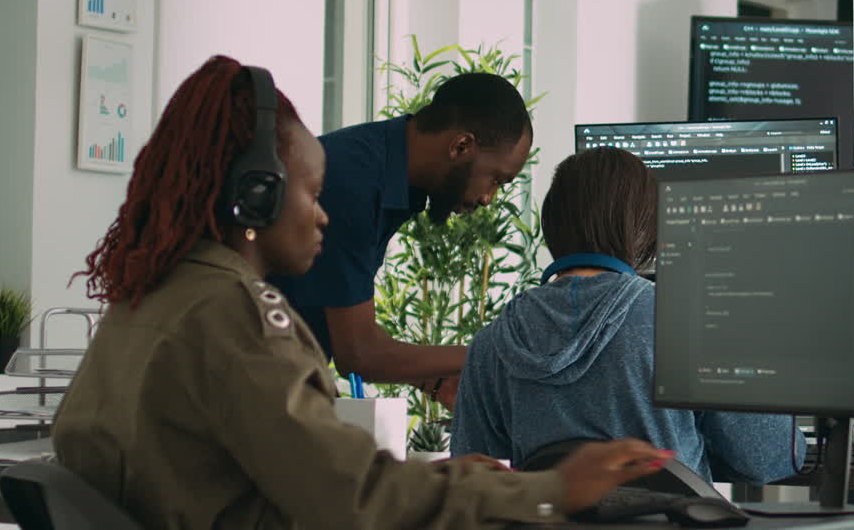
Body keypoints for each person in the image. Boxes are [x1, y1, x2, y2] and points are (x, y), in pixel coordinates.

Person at [53, 56, 671, 528]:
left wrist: (440, 478)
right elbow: (353, 496)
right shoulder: (233, 314)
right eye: (310, 194)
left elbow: (305, 475)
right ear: (259, 195)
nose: (323, 216)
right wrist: (550, 489)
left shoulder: (148, 297)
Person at [450, 147, 804, 484]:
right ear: (646, 226)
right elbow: (768, 458)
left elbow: (474, 479)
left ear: (551, 224)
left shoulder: (491, 343)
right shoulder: (685, 318)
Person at [269, 72, 533, 405]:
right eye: (496, 179)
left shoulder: (391, 176)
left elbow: (334, 321)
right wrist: (491, 352)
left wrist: (431, 381)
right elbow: (359, 354)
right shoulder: (354, 182)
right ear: (461, 145)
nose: (488, 198)